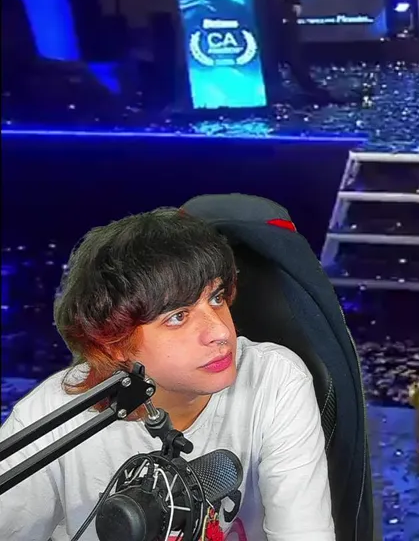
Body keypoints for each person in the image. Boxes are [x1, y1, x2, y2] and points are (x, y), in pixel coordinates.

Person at [0, 209, 336, 540]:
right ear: (115, 343)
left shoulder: (275, 379)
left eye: (216, 298)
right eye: (178, 316)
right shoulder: (50, 416)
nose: (221, 332)